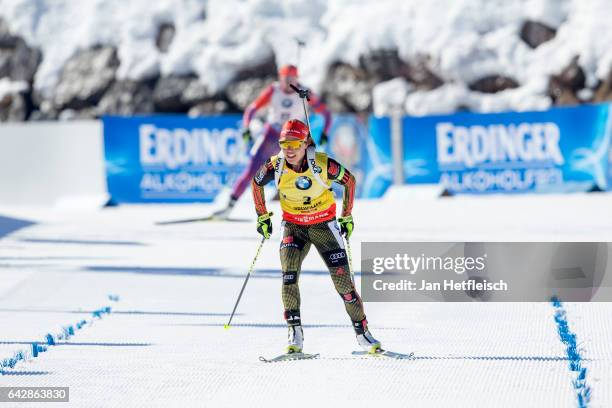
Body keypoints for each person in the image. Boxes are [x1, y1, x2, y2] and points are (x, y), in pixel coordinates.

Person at [250, 119, 381, 354]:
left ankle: (363, 333)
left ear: (305, 143)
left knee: (344, 285)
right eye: (284, 144)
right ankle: (295, 333)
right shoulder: (275, 165)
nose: (289, 149)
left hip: (324, 226)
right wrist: (262, 216)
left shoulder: (322, 164)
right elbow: (256, 182)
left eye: (294, 144)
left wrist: (347, 216)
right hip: (294, 227)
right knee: (288, 276)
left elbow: (349, 181)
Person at [213, 64, 332, 218]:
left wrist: (325, 132)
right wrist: (246, 128)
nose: (289, 82)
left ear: (297, 78)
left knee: (303, 172)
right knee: (251, 170)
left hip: (293, 138)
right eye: (285, 78)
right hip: (271, 134)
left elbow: (326, 113)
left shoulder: (304, 93)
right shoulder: (273, 90)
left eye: (292, 78)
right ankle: (229, 207)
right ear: (280, 78)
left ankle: (312, 210)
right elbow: (252, 109)